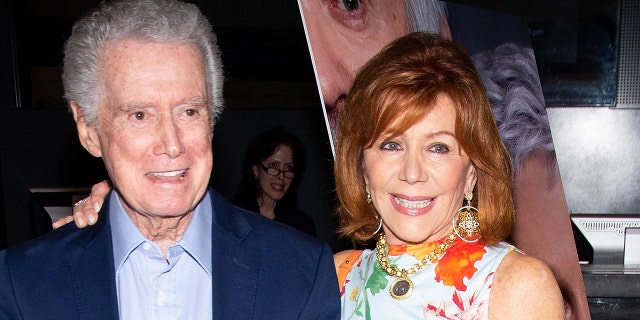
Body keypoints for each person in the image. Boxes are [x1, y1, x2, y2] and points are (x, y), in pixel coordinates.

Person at [0, 0, 340, 319]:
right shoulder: (24, 284)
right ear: (89, 130)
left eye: (189, 111)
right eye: (139, 115)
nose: (172, 144)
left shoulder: (300, 272)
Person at [299, 1, 589, 318]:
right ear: (362, 166)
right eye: (391, 145)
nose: (412, 173)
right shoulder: (336, 274)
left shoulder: (517, 283)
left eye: (438, 147)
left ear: (471, 173)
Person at [232, 126, 317, 237]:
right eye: (273, 165)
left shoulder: (302, 224)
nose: (281, 176)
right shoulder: (234, 215)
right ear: (256, 169)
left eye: (288, 168)